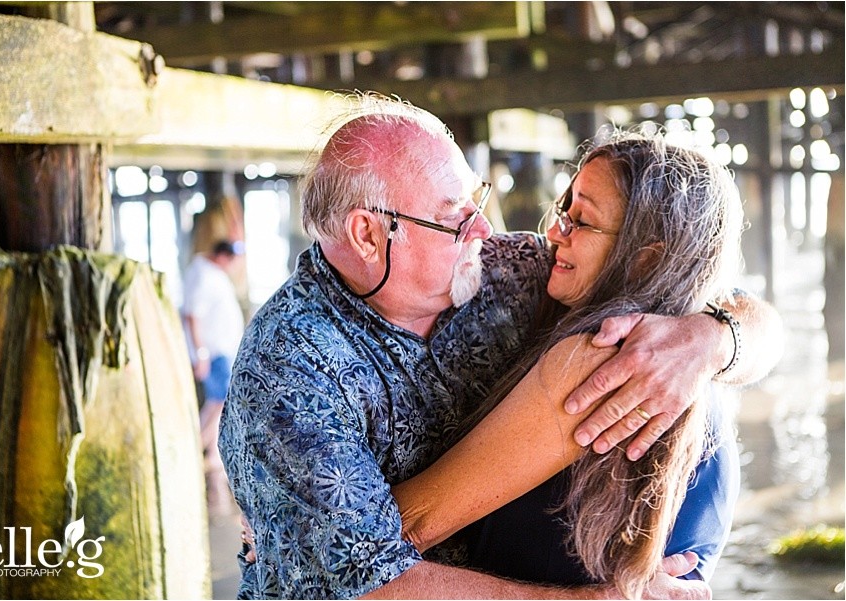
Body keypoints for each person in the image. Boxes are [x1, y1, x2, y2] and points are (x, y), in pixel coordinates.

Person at [218, 93, 783, 599]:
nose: (485, 231)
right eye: (453, 218)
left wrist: (713, 340)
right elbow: (373, 584)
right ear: (369, 234)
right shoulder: (288, 372)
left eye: (477, 200)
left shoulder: (510, 273)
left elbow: (714, 294)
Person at [390, 129, 761, 599]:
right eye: (563, 209)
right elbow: (747, 307)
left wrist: (292, 513)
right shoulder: (694, 357)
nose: (553, 232)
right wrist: (722, 336)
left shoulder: (604, 364)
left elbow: (408, 526)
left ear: (648, 256)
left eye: (580, 221)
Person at [182, 239, 245, 515]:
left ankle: (202, 451)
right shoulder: (204, 274)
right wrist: (201, 353)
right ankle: (198, 451)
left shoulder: (211, 272)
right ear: (223, 256)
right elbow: (192, 315)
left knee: (219, 403)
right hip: (215, 353)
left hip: (222, 351)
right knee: (219, 403)